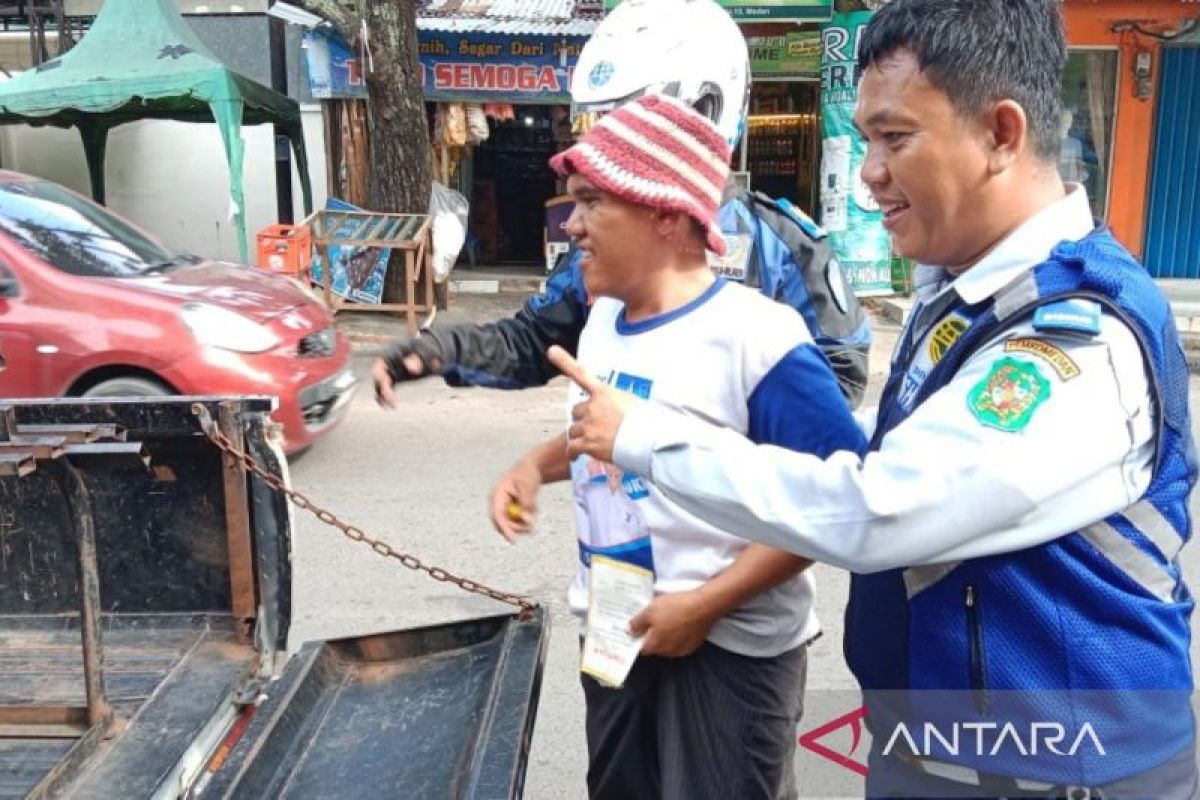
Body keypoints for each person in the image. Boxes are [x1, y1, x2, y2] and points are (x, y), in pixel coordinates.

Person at [550, 1, 1199, 797]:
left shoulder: (1076, 337)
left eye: (895, 138)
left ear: (1001, 133)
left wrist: (650, 438)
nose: (869, 172)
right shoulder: (964, 298)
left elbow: (882, 507)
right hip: (945, 749)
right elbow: (908, 447)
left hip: (1062, 770)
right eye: (866, 140)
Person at [492, 94, 866, 800]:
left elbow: (836, 502)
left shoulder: (760, 337)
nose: (570, 224)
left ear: (665, 212)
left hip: (731, 646)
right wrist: (532, 468)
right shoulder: (601, 323)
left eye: (591, 202)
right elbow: (603, 436)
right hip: (613, 622)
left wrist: (706, 605)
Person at [373, 0, 871, 411]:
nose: (578, 222)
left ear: (703, 111)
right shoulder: (601, 254)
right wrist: (444, 351)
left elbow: (839, 386)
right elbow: (533, 342)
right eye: (604, 124)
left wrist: (682, 440)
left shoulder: (784, 250)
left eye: (628, 121)